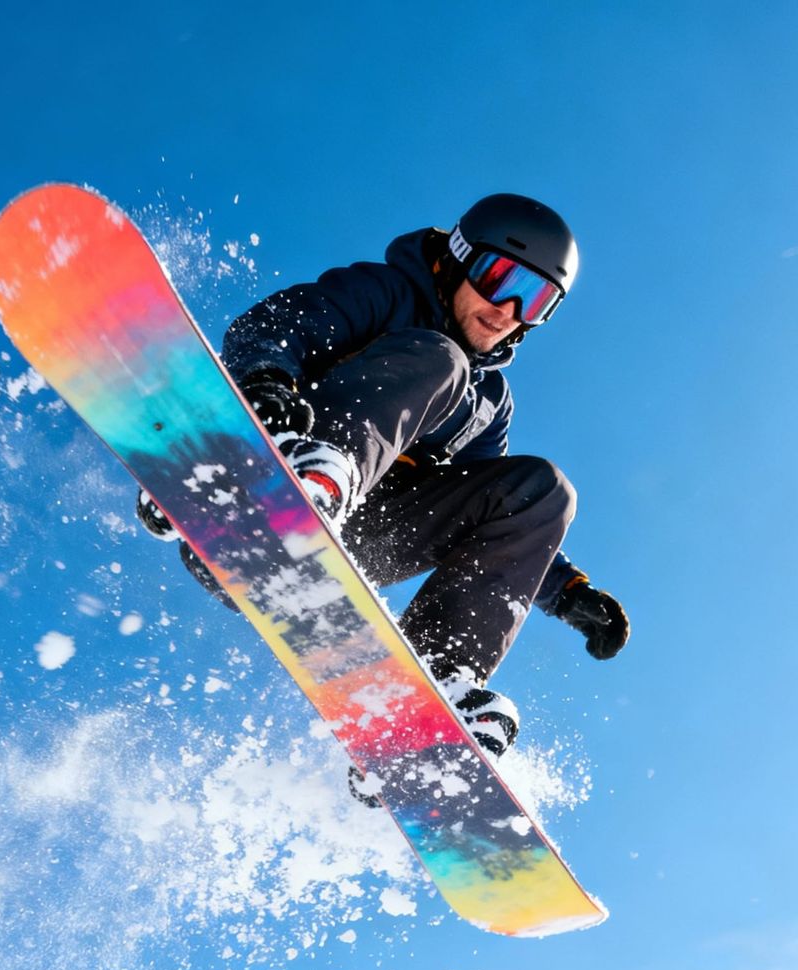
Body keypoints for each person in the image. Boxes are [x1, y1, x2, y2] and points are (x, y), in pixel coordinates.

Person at [139, 193, 629, 768]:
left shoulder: (488, 405)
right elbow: (273, 327)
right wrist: (267, 385)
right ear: (459, 258)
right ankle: (288, 490)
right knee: (441, 359)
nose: (509, 310)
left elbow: (497, 513)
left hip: (354, 540)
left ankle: (426, 696)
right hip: (253, 493)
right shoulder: (386, 294)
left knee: (542, 488)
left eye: (537, 300)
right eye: (501, 279)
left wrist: (566, 592)